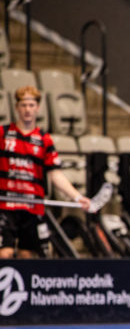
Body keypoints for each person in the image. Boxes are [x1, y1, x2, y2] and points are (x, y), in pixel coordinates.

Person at [0, 86, 90, 258]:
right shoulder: (3, 134)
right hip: (6, 204)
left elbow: (55, 174)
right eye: (24, 105)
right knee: (5, 253)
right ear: (17, 107)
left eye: (31, 105)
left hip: (33, 206)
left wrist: (77, 197)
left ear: (38, 108)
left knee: (27, 255)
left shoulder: (44, 139)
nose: (27, 109)